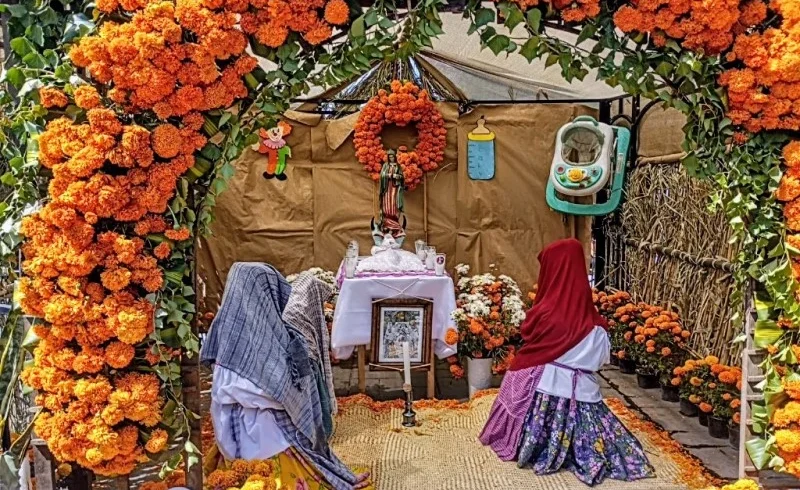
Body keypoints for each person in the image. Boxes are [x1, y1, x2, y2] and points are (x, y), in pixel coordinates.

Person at [479, 239, 654, 486]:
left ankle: (534, 446)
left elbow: (528, 341)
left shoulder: (543, 315)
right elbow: (601, 360)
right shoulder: (595, 327)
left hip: (541, 394)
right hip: (583, 396)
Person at [201, 263, 371, 490]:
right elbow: (240, 391)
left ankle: (333, 475)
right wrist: (287, 391)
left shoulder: (265, 330)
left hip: (253, 431)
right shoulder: (235, 340)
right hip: (257, 437)